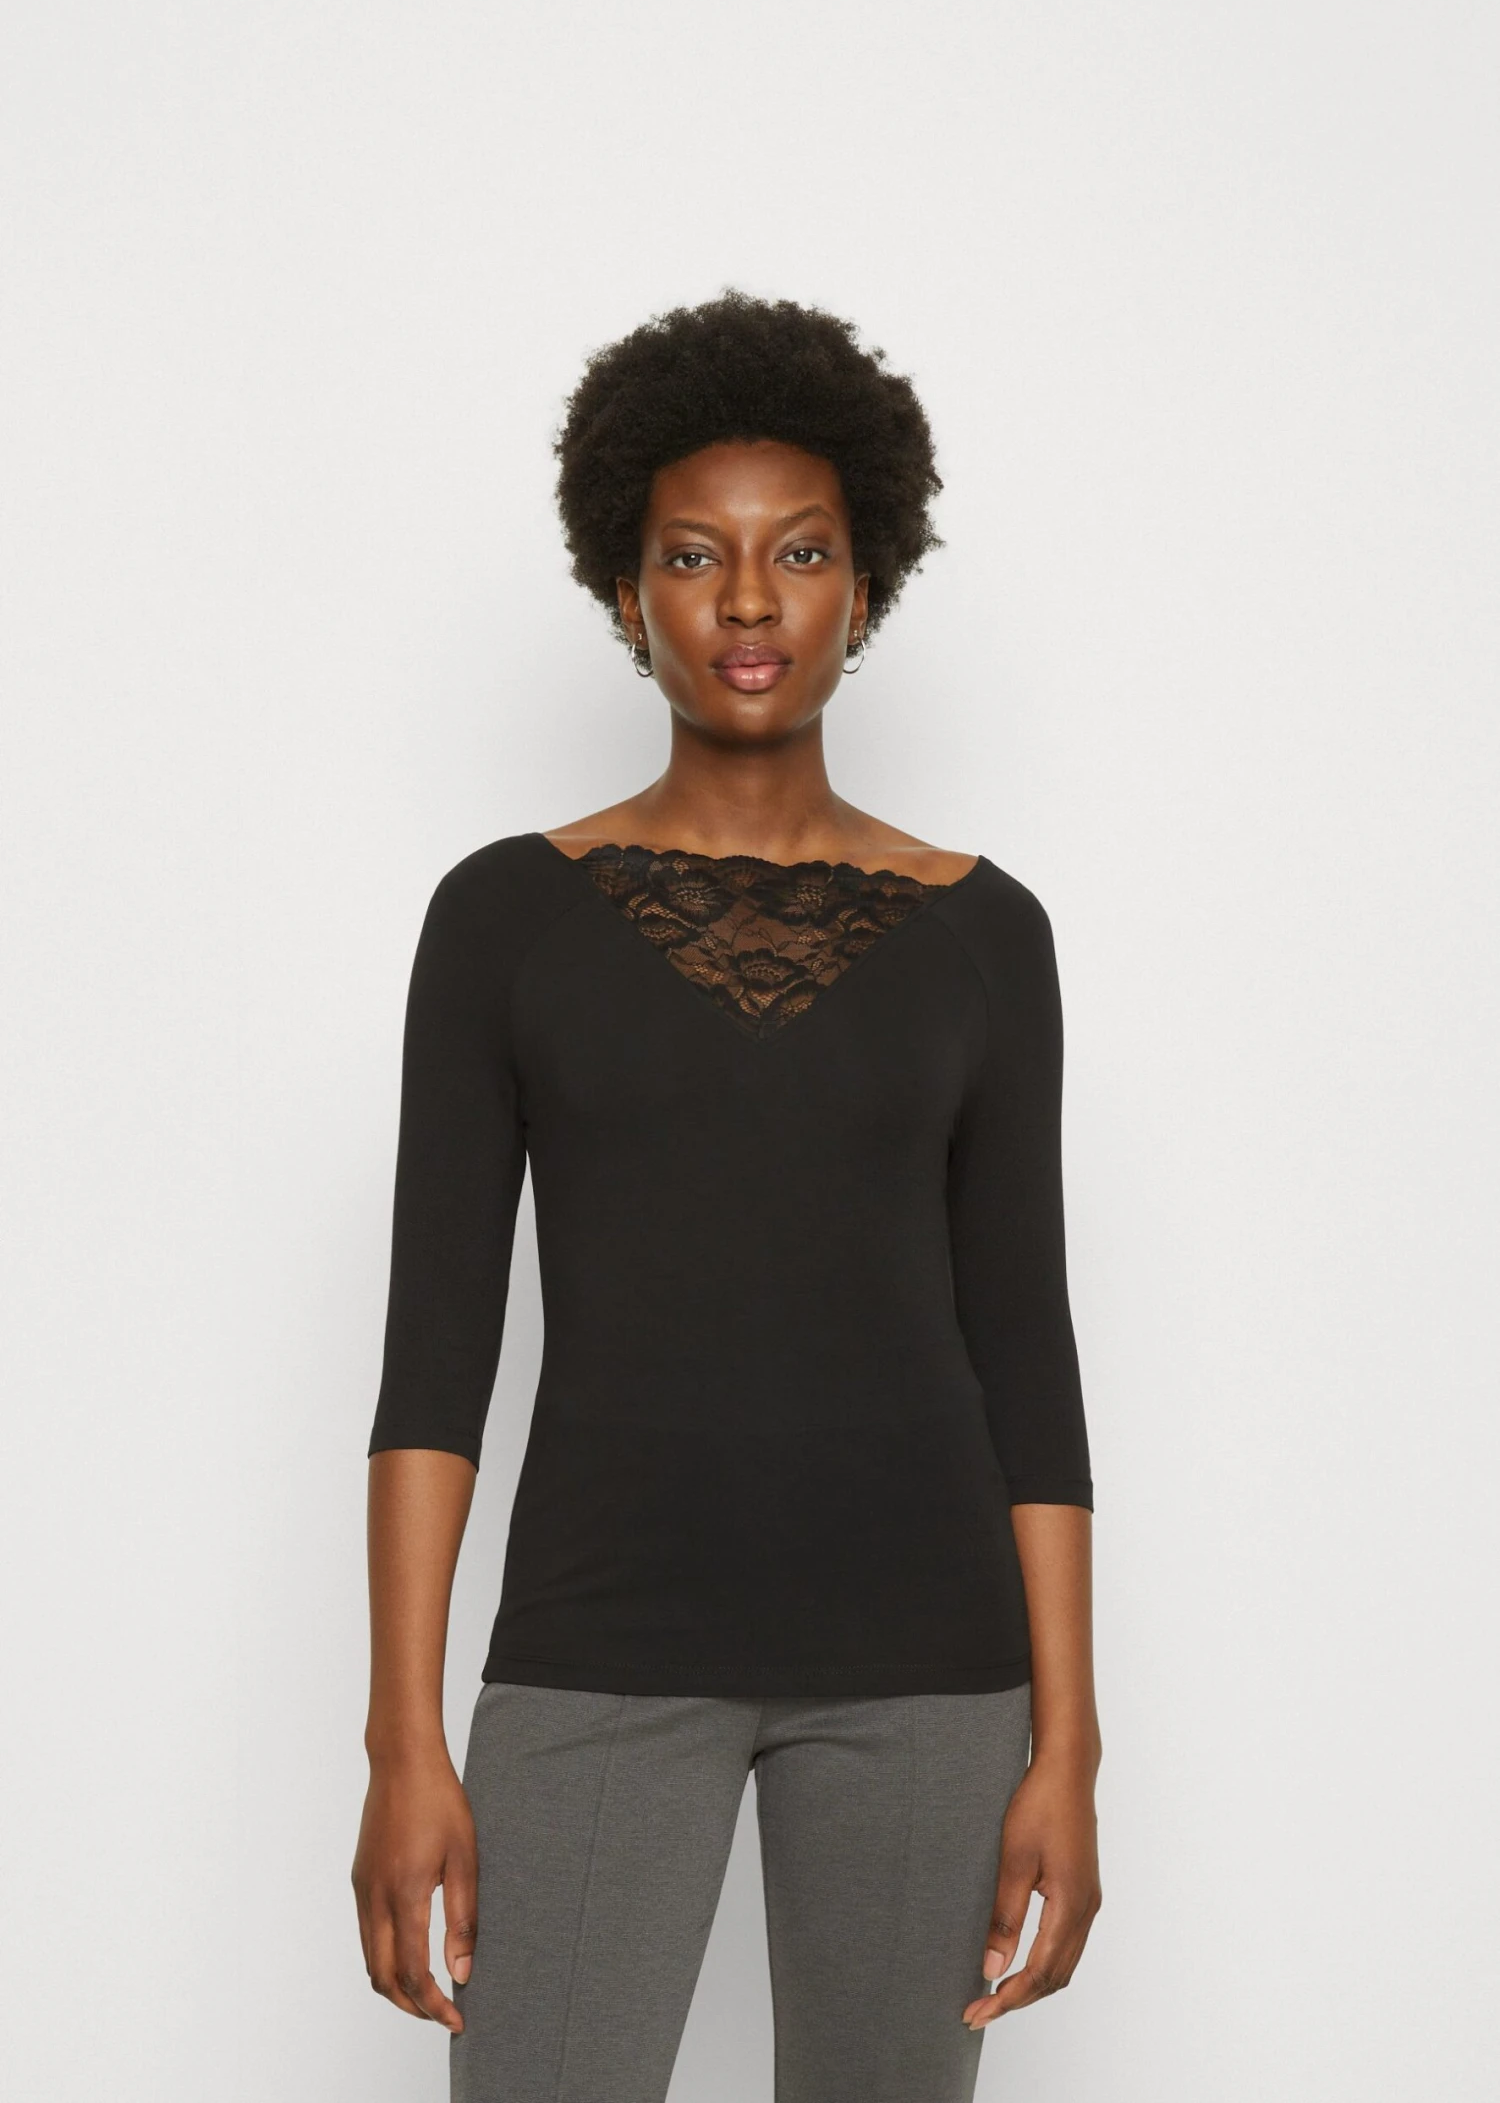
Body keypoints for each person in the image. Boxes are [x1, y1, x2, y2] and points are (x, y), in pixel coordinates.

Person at [351, 290, 1102, 2103]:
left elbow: (1031, 1361)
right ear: (628, 593)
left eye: (802, 553)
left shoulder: (988, 936)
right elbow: (433, 1365)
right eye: (695, 555)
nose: (749, 600)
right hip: (598, 1651)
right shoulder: (501, 919)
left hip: (929, 1675)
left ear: (867, 587)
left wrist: (1069, 1747)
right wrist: (402, 1741)